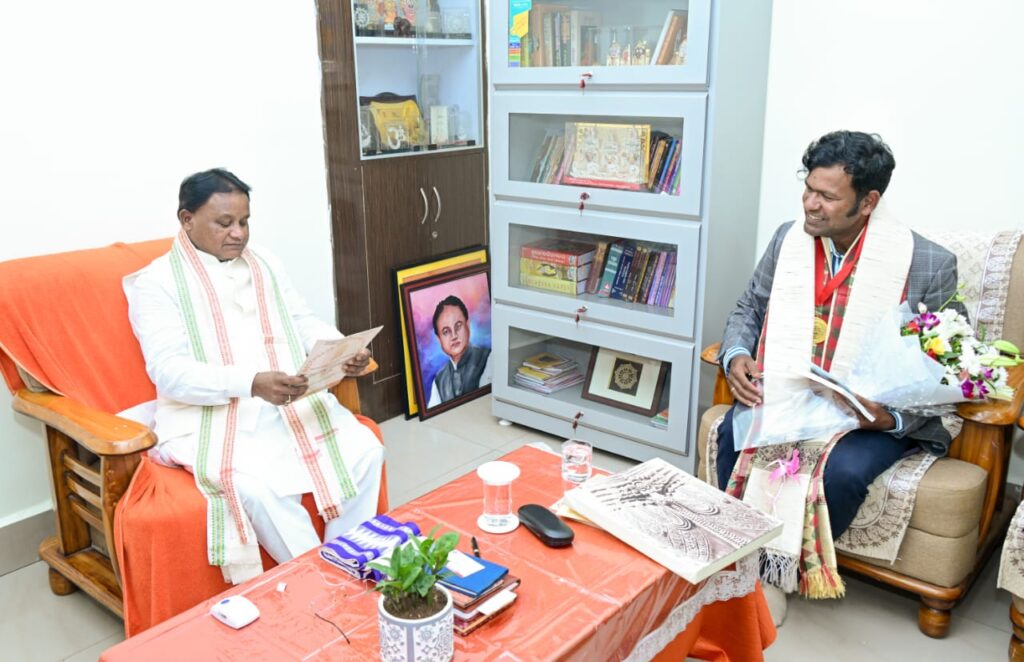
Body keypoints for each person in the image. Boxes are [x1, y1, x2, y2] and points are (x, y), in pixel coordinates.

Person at [713, 131, 959, 612]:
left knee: (840, 473)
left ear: (868, 202)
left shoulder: (928, 263)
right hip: (789, 388)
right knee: (733, 434)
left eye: (827, 196)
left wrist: (887, 418)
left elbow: (947, 366)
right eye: (808, 189)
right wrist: (737, 354)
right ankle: (741, 564)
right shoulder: (789, 239)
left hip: (868, 414)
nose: (811, 204)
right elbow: (750, 306)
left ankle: (774, 578)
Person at [124, 168, 384, 585]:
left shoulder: (264, 263)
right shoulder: (156, 284)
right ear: (186, 219)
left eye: (244, 221)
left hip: (285, 403)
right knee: (262, 491)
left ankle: (345, 563)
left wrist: (341, 351)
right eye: (224, 223)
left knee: (367, 452)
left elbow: (301, 319)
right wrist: (251, 384)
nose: (238, 234)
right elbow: (169, 372)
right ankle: (320, 584)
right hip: (211, 416)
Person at [425, 294, 492, 408]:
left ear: (468, 325)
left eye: (458, 326)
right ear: (439, 339)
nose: (454, 336)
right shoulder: (439, 381)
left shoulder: (488, 358)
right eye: (446, 331)